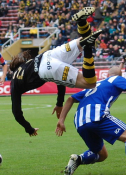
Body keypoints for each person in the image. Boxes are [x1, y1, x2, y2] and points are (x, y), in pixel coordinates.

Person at [55, 66, 126, 175]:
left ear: (106, 75)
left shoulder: (93, 86)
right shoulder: (116, 79)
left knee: (102, 154)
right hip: (97, 115)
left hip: (80, 121)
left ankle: (78, 159)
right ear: (120, 75)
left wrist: (61, 120)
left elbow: (71, 98)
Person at [10, 7, 102, 136]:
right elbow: (59, 81)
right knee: (84, 40)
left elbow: (16, 113)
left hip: (45, 69)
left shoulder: (14, 83)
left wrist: (29, 128)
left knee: (89, 83)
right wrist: (59, 103)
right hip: (48, 54)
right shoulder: (26, 64)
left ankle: (88, 47)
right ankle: (81, 21)